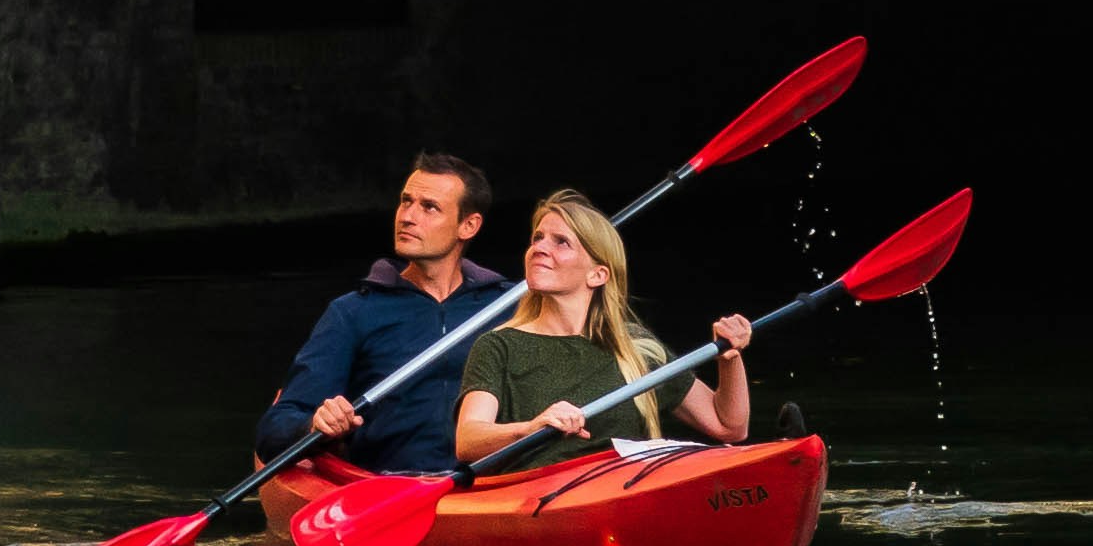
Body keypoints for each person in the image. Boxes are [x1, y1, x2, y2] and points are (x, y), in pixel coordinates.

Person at [455, 190, 753, 467]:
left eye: (561, 242)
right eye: (537, 238)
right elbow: (468, 440)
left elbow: (729, 426)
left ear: (597, 275)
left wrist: (729, 358)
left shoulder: (635, 346)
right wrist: (531, 429)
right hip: (541, 504)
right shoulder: (499, 345)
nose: (539, 249)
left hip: (622, 498)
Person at [257, 154, 508, 474]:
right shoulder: (353, 313)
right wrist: (313, 424)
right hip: (389, 487)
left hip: (493, 486)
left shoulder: (507, 306)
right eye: (406, 202)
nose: (407, 216)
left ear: (468, 225)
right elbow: (274, 430)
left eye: (429, 207)